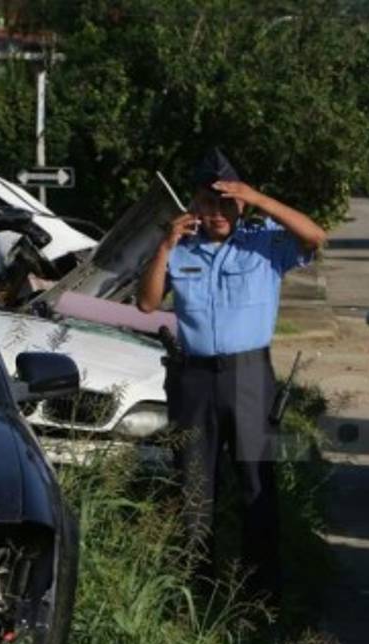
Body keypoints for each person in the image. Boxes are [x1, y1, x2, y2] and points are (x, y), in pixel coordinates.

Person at [137, 148, 328, 600]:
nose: (217, 213)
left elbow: (315, 236)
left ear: (240, 205)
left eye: (227, 203)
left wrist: (258, 198)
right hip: (195, 379)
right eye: (208, 203)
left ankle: (260, 593)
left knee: (256, 482)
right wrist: (164, 245)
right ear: (194, 205)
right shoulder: (181, 249)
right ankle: (198, 591)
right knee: (194, 484)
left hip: (247, 378)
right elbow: (146, 303)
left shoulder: (265, 243)